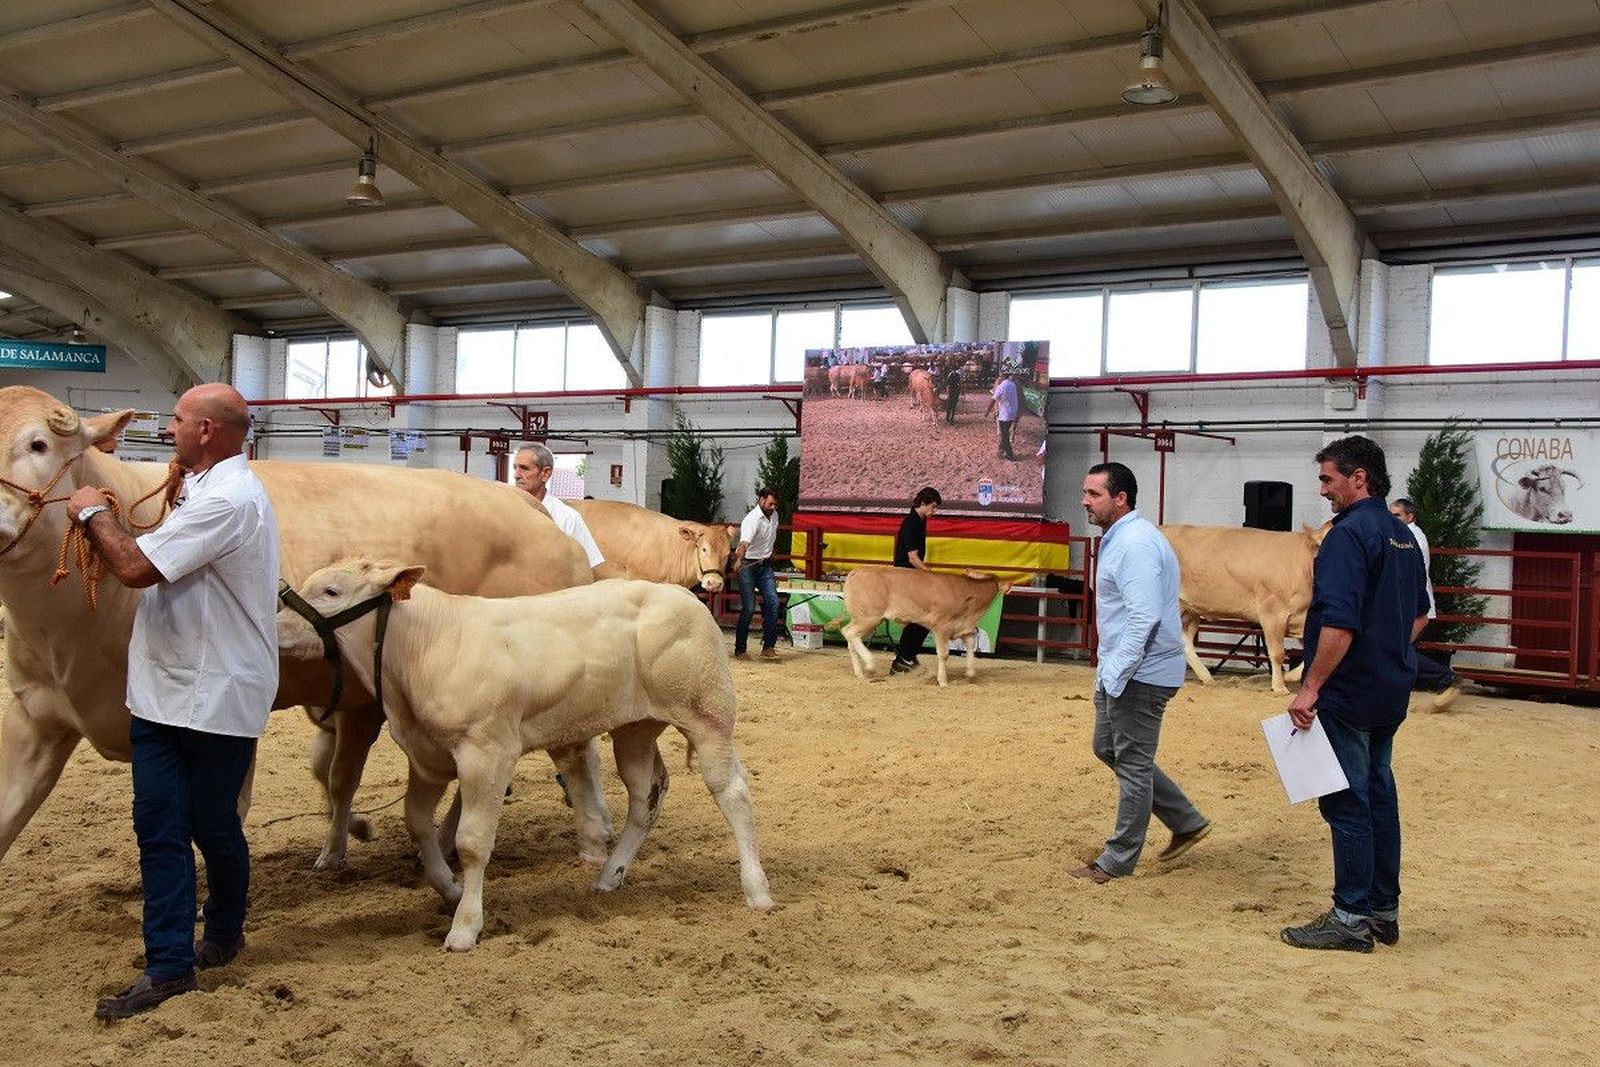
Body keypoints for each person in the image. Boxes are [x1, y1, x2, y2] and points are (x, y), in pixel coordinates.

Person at [66, 384, 281, 1020]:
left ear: (207, 431)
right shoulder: (204, 488)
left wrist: (91, 513)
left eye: (178, 420)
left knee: (199, 825)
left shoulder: (228, 499)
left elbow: (135, 568)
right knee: (174, 824)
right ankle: (182, 957)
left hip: (211, 692)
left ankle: (208, 940)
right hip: (177, 688)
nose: (168, 430)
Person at [1281, 436, 1429, 953]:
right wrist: (1386, 650)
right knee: (1380, 794)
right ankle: (1383, 912)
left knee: (1347, 801)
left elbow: (1339, 624)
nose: (1323, 490)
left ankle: (1349, 917)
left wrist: (1311, 686)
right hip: (1390, 688)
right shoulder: (1402, 534)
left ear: (1358, 477)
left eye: (1328, 479)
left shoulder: (1346, 536)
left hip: (1348, 692)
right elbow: (1420, 614)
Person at [1070, 462, 1210, 885]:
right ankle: (1185, 820)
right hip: (1125, 669)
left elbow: (1143, 618)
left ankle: (1117, 860)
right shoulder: (1126, 538)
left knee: (1132, 763)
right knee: (1108, 748)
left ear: (1121, 498)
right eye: (1085, 492)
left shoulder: (1135, 544)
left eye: (1094, 494)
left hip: (1139, 674)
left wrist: (1117, 673)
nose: (1084, 501)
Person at [1389, 497, 1462, 705]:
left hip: (1414, 606)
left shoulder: (1409, 538)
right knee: (1401, 650)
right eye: (1390, 515)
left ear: (1410, 516)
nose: (1392, 519)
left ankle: (1446, 679)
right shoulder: (1408, 536)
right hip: (1414, 604)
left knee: (1400, 650)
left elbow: (1408, 574)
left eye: (1397, 515)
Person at [512, 444, 605, 571]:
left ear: (545, 473)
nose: (516, 475)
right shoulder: (506, 512)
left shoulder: (567, 517)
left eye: (524, 468)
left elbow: (589, 566)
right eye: (515, 468)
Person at [889, 486, 942, 675]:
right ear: (923, 503)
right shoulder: (912, 523)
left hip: (912, 577)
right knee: (923, 618)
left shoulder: (920, 520)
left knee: (923, 619)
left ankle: (906, 657)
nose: (934, 511)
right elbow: (912, 557)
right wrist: (931, 574)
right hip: (906, 578)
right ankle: (904, 658)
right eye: (933, 507)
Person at [732, 487, 781, 660]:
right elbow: (743, 544)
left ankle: (768, 647)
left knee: (773, 602)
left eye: (775, 504)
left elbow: (771, 537)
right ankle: (740, 649)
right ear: (761, 500)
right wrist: (739, 560)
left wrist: (770, 551)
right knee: (749, 608)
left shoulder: (774, 516)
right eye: (770, 504)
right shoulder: (751, 519)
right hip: (748, 565)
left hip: (765, 564)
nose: (773, 507)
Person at [985, 368, 1021, 459]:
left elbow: (992, 401)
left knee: (1004, 435)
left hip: (1005, 415)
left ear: (1002, 377)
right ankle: (1000, 451)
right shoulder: (1013, 384)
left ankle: (1010, 455)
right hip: (1013, 413)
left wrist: (987, 412)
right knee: (1005, 432)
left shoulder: (1001, 387)